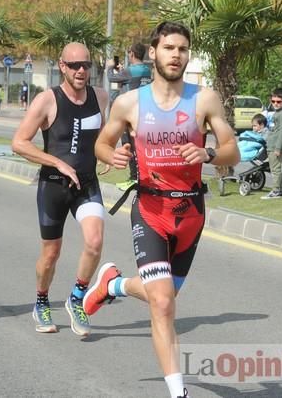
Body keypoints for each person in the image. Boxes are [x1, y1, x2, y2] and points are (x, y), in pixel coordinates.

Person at [85, 22, 239, 398]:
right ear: (153, 53)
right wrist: (114, 154)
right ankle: (178, 392)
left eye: (183, 49)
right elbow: (101, 146)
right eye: (169, 48)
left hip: (191, 213)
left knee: (164, 294)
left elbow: (232, 150)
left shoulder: (204, 99)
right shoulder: (130, 103)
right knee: (163, 302)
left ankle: (114, 284)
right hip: (151, 209)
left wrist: (209, 153)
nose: (176, 55)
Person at [11, 42, 109, 336]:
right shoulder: (47, 100)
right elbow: (19, 143)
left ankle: (77, 298)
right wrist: (58, 163)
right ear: (62, 66)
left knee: (94, 241)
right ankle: (41, 299)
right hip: (54, 186)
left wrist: (109, 152)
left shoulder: (101, 97)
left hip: (87, 184)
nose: (81, 71)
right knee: (51, 254)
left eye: (86, 65)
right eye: (75, 65)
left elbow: (104, 135)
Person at [106, 43, 154, 191]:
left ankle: (134, 178)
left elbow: (111, 78)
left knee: (129, 146)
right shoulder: (147, 70)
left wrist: (109, 66)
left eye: (128, 52)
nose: (128, 55)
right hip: (145, 113)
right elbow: (133, 82)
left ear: (132, 54)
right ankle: (144, 177)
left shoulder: (129, 71)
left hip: (129, 114)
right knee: (141, 147)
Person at [262, 88, 282, 199]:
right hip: (272, 144)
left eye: (278, 102)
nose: (275, 104)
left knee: (275, 169)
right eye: (273, 101)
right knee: (274, 168)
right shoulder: (277, 113)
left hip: (275, 146)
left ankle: (276, 190)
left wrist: (278, 148)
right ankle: (279, 190)